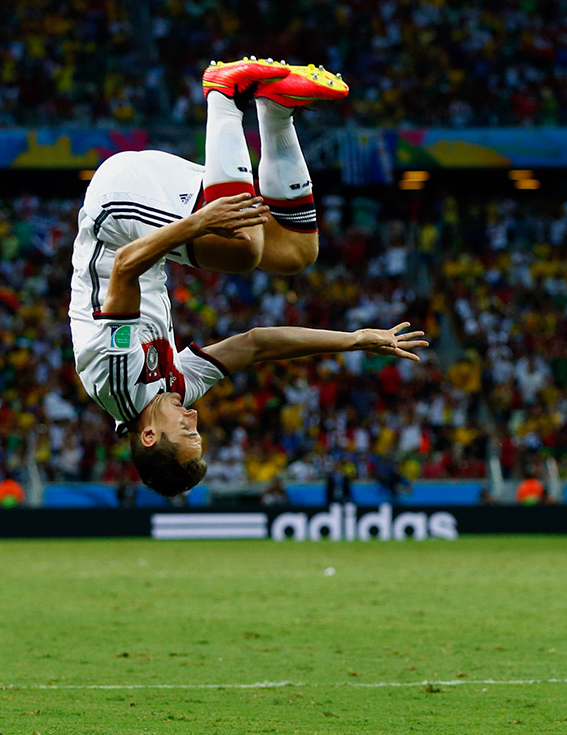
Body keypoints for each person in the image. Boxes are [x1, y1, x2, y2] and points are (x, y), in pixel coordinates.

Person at [69, 58, 427, 498]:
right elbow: (256, 344)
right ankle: (277, 108)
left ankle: (222, 94)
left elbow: (124, 265)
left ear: (149, 436)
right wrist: (352, 339)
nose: (194, 420)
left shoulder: (118, 382)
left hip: (115, 208)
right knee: (296, 252)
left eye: (187, 433)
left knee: (243, 249)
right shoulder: (175, 389)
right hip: (146, 209)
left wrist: (199, 223)